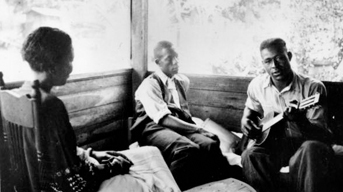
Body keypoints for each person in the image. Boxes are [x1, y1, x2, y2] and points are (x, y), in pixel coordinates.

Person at [20, 27, 180, 192]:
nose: (71, 68)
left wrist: (92, 154)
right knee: (148, 179)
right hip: (75, 187)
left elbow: (57, 154)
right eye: (69, 60)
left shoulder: (22, 96)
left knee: (151, 152)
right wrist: (113, 167)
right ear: (53, 64)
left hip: (55, 180)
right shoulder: (50, 105)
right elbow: (73, 177)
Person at [131, 40, 237, 190]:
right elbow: (164, 119)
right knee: (186, 149)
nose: (175, 62)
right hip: (152, 129)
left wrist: (197, 128)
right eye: (169, 58)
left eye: (176, 57)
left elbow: (181, 113)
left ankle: (213, 184)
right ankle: (174, 188)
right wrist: (197, 129)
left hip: (174, 127)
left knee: (210, 143)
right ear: (157, 62)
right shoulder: (150, 85)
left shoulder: (182, 81)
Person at [240, 38, 334, 192]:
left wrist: (300, 120)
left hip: (305, 145)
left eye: (279, 58)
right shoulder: (257, 85)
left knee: (311, 148)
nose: (274, 66)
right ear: (263, 63)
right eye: (268, 61)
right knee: (250, 155)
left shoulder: (312, 87)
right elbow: (249, 111)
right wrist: (245, 121)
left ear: (289, 56)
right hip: (276, 145)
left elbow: (322, 135)